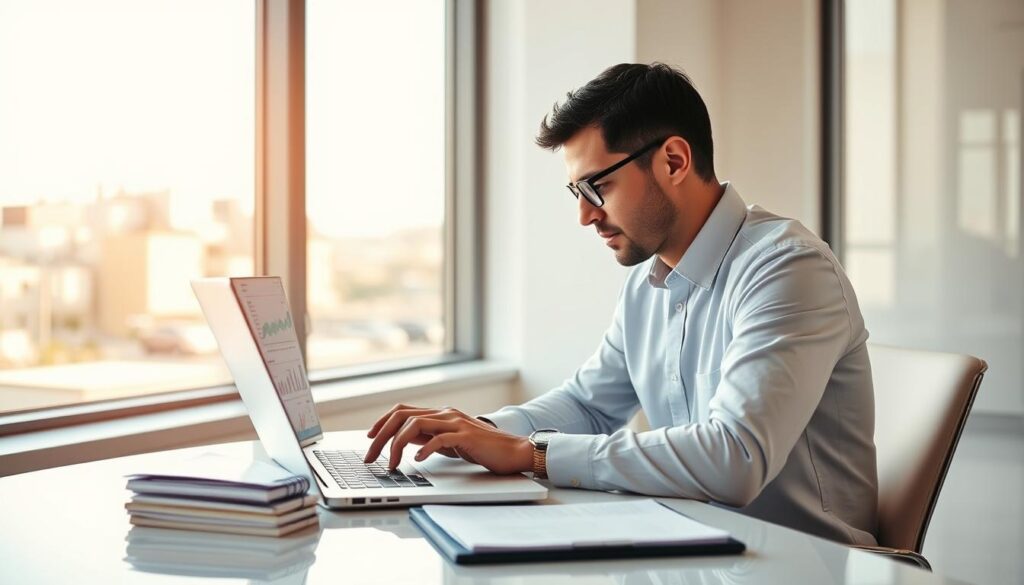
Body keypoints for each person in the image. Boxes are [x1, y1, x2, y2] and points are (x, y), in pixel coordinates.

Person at [363, 63, 878, 546]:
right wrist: (479, 432)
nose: (586, 216)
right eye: (576, 192)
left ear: (674, 160)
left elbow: (735, 458)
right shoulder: (648, 283)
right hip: (695, 550)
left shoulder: (787, 268)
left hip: (803, 564)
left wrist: (532, 453)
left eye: (599, 186)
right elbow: (589, 406)